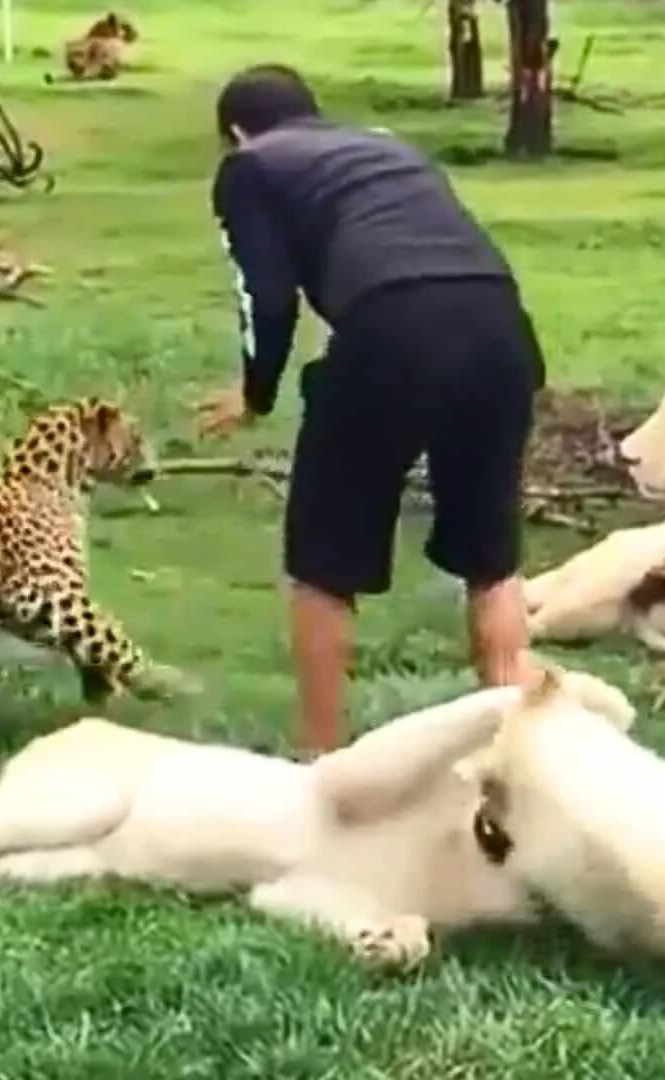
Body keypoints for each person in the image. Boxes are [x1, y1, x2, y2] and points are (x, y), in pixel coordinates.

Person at [196, 64, 544, 755]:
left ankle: (322, 756)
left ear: (236, 131)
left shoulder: (251, 167)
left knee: (323, 561)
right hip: (501, 326)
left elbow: (264, 294)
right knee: (491, 558)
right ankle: (520, 746)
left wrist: (256, 391)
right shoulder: (389, 146)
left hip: (394, 329)